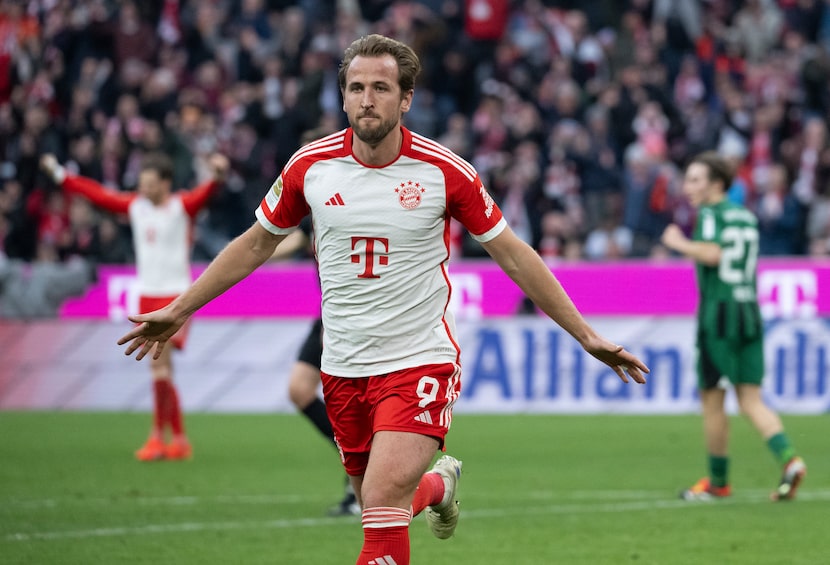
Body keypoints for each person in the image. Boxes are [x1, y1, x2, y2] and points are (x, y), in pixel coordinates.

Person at [117, 34, 649, 565]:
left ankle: (424, 487)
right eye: (355, 88)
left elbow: (512, 254)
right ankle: (439, 487)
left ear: (406, 98)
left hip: (420, 358)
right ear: (343, 98)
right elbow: (257, 243)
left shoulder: (445, 172)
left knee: (379, 503)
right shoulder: (310, 167)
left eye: (380, 87)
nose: (366, 99)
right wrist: (179, 308)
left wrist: (586, 334)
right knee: (374, 499)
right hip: (343, 364)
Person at [40, 151, 230, 462]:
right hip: (147, 296)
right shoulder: (136, 207)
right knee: (163, 369)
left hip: (176, 298)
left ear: (166, 183)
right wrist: (61, 175)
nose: (144, 190)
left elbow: (207, 192)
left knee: (159, 367)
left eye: (150, 184)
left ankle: (158, 438)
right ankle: (178, 440)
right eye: (141, 184)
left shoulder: (182, 206)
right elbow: (97, 194)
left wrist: (218, 175)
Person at [661, 151, 807, 502]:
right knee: (750, 399)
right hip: (749, 310)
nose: (688, 187)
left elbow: (713, 254)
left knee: (713, 401)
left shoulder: (710, 213)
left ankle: (718, 483)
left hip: (720, 314)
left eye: (696, 180)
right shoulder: (745, 215)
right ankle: (789, 459)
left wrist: (677, 243)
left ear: (716, 184)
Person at [270, 215, 360, 517]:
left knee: (357, 399)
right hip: (328, 313)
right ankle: (358, 460)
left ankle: (363, 479)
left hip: (356, 316)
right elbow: (293, 240)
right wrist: (251, 254)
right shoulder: (320, 203)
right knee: (300, 390)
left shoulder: (356, 206)